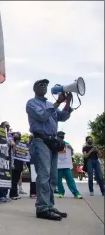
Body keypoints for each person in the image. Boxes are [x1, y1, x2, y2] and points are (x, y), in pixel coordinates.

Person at [26, 79, 72, 221]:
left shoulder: (49, 104)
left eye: (46, 84)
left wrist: (68, 102)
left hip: (52, 142)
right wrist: (58, 102)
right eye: (41, 84)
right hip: (40, 140)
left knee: (52, 176)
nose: (44, 86)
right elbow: (42, 116)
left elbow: (62, 117)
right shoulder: (32, 103)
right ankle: (42, 208)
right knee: (44, 175)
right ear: (34, 88)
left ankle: (49, 205)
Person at [56, 131, 83, 199]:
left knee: (70, 179)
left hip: (66, 165)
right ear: (57, 136)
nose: (61, 137)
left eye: (62, 136)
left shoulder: (67, 144)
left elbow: (71, 153)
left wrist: (71, 148)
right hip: (58, 166)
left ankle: (76, 193)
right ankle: (61, 192)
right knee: (58, 180)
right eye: (60, 136)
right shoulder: (55, 143)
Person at [0, 121, 14, 202]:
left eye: (8, 126)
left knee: (7, 176)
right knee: (0, 176)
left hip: (8, 158)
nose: (7, 127)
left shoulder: (9, 135)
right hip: (0, 158)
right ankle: (0, 195)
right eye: (6, 126)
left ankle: (5, 194)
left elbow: (13, 144)